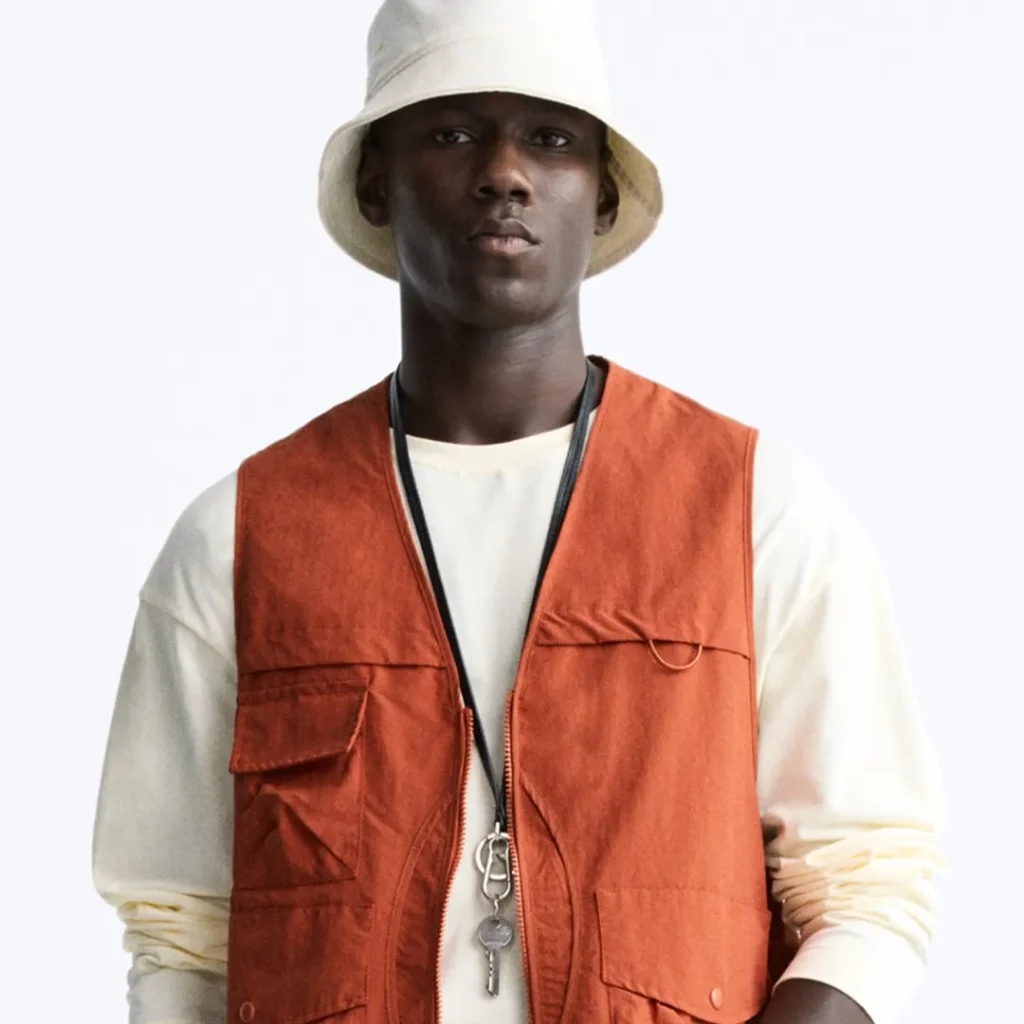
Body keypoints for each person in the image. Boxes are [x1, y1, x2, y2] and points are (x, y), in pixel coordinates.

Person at [91, 1, 945, 1023]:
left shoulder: (756, 509)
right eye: (453, 133)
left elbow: (868, 887)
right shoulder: (238, 540)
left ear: (601, 192)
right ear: (376, 182)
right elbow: (182, 934)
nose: (505, 172)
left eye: (551, 138)